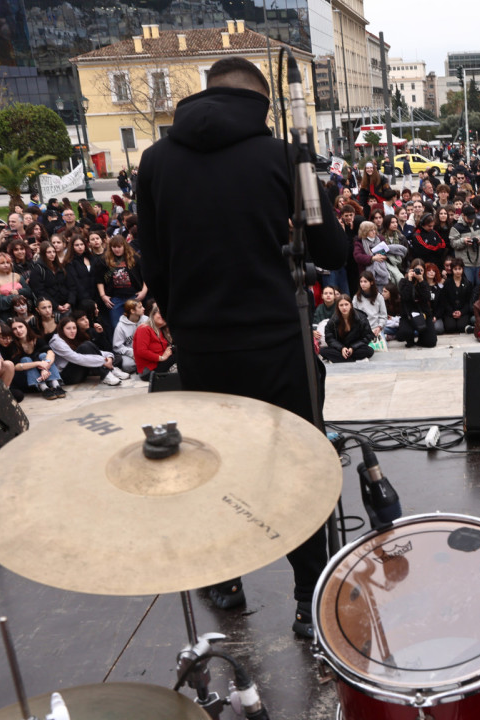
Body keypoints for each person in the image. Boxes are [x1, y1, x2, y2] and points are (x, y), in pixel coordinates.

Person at [136, 57, 349, 632]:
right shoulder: (283, 156)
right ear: (261, 103)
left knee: (217, 465)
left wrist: (185, 320)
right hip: (276, 340)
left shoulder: (154, 162)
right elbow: (331, 250)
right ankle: (311, 597)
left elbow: (152, 261)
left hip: (203, 347)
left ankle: (226, 580)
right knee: (295, 466)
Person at [49, 316, 128, 386]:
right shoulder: (57, 342)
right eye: (68, 328)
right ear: (62, 330)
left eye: (74, 328)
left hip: (79, 369)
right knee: (85, 347)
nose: (72, 331)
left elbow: (90, 351)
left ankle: (110, 370)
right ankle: (106, 374)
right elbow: (76, 358)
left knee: (87, 345)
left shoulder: (72, 337)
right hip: (67, 377)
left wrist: (109, 357)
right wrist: (103, 361)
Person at [8, 319, 65, 398]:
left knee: (44, 355)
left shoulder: (37, 339)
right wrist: (38, 363)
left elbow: (51, 353)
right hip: (30, 381)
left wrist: (45, 367)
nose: (18, 330)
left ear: (26, 327)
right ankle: (44, 388)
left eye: (20, 327)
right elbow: (16, 366)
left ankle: (56, 385)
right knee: (25, 360)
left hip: (45, 374)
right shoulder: (13, 345)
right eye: (14, 329)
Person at [320, 296, 374, 363]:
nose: (344, 307)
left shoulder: (361, 318)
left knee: (369, 351)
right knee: (323, 351)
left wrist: (353, 348)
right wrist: (341, 348)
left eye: (346, 304)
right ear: (338, 307)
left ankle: (341, 359)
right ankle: (351, 359)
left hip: (355, 348)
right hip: (340, 348)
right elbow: (329, 339)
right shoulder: (332, 321)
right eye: (341, 305)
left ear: (351, 305)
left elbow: (367, 336)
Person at [134, 303, 176, 376]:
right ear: (153, 313)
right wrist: (162, 358)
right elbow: (142, 351)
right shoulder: (144, 329)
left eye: (165, 315)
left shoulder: (160, 329)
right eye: (160, 313)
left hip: (159, 364)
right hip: (149, 370)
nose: (163, 316)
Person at [112, 299, 145, 373]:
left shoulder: (146, 320)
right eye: (140, 307)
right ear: (132, 311)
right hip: (131, 353)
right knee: (127, 366)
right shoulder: (120, 326)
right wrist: (132, 353)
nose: (143, 308)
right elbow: (117, 347)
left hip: (146, 350)